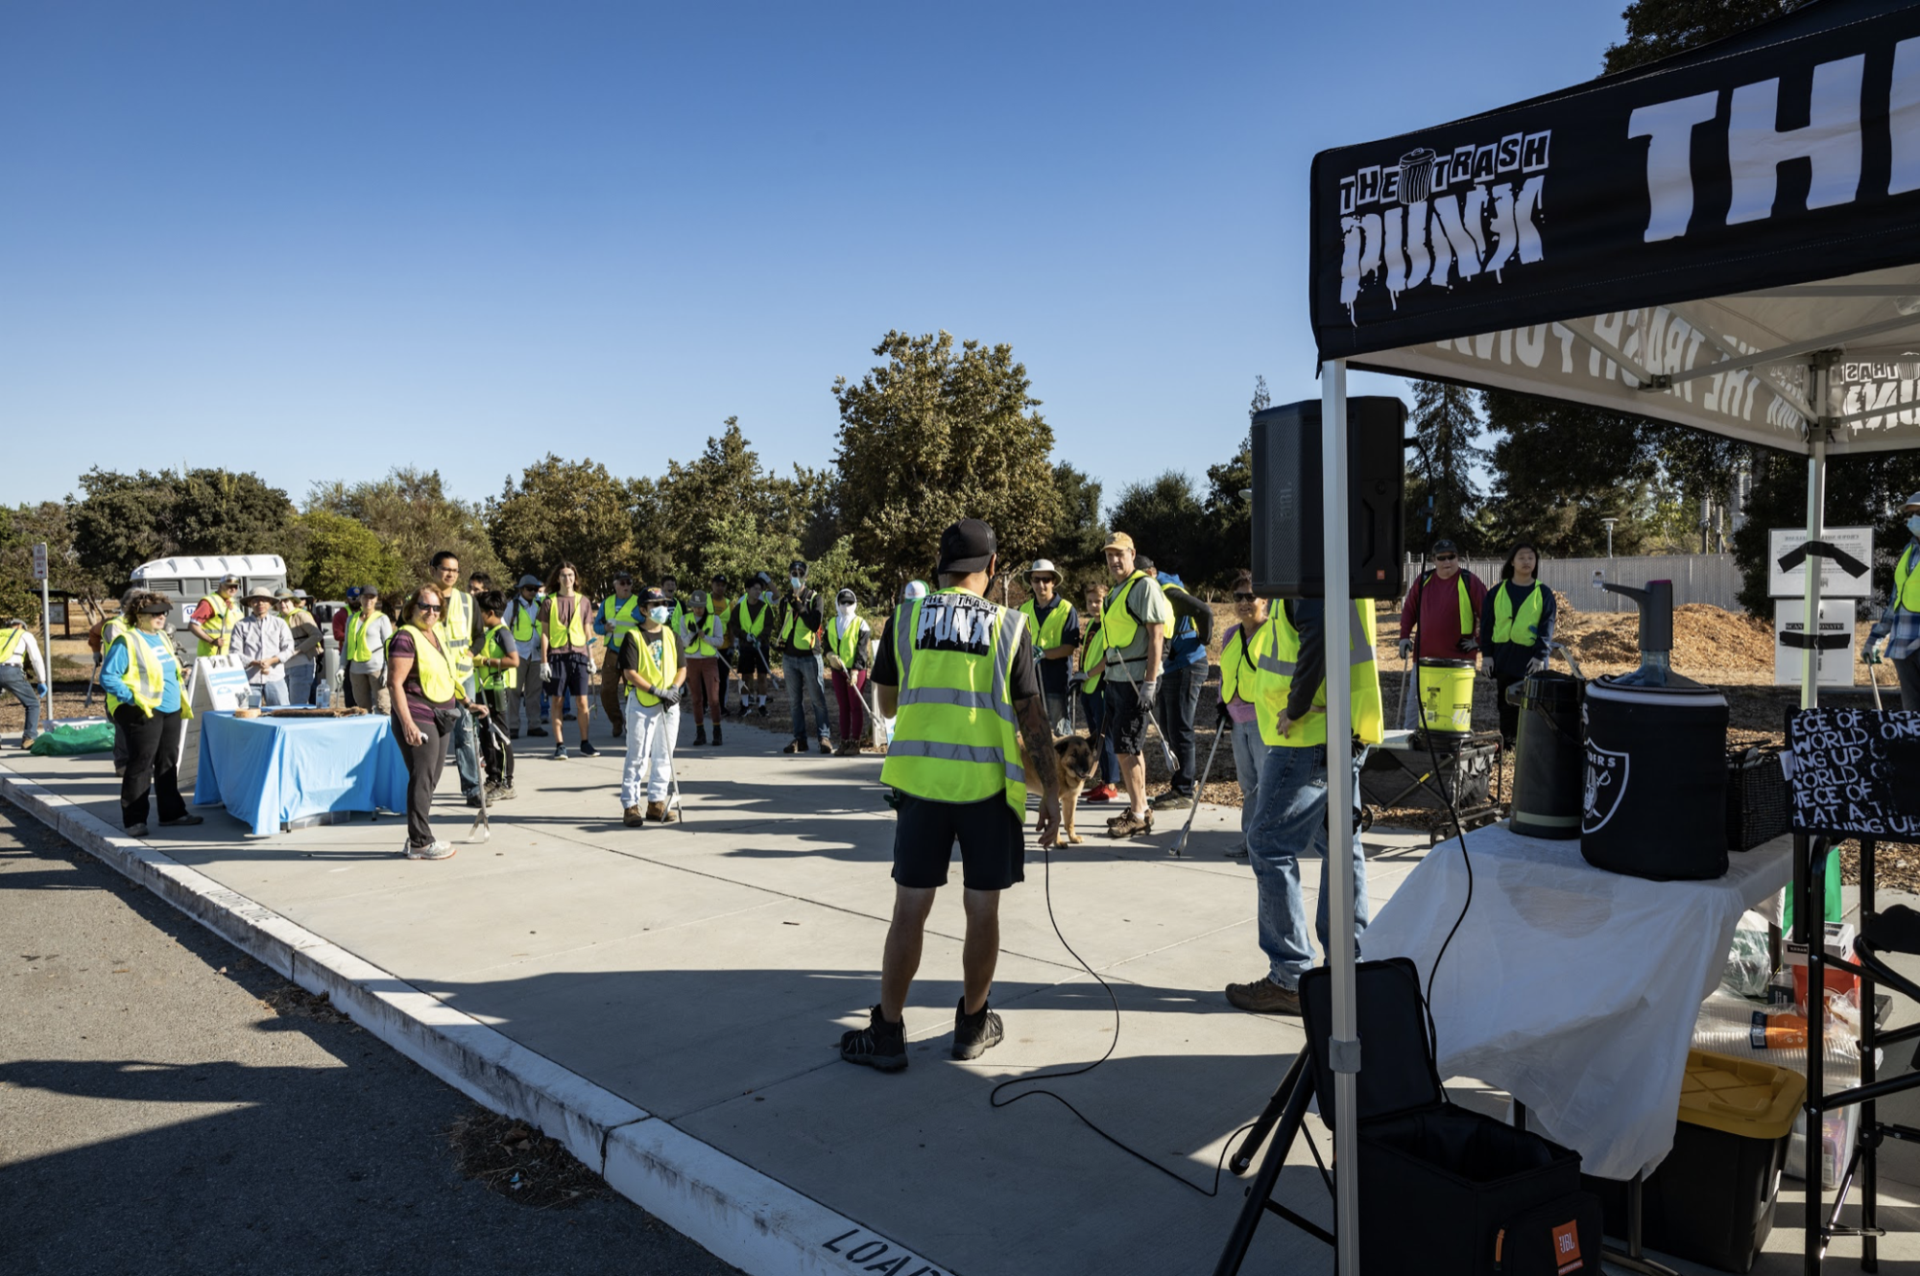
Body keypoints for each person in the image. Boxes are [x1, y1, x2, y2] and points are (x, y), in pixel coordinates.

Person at [839, 519, 1061, 1072]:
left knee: (909, 910)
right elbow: (1034, 718)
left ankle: (888, 1033)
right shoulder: (1011, 626)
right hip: (988, 790)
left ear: (940, 568)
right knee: (982, 910)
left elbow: (886, 706)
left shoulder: (907, 617)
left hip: (921, 788)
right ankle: (972, 1025)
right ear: (991, 568)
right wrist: (1053, 793)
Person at [1225, 592, 1385, 1015]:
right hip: (1338, 726)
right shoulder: (1341, 565)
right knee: (1341, 848)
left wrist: (1296, 705)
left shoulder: (1308, 573)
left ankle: (1291, 978)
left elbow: (1317, 640)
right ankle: (1345, 972)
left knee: (1267, 842)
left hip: (1307, 734)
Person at [1082, 532, 1172, 838]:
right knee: (1127, 747)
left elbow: (1156, 635)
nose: (1114, 560)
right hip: (1118, 679)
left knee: (1126, 747)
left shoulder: (1143, 586)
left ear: (1132, 554)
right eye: (1109, 555)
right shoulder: (1117, 591)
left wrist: (1150, 681)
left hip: (1135, 680)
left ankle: (1137, 814)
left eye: (1120, 554)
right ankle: (1140, 806)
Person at [387, 585, 482, 860]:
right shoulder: (406, 637)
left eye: (436, 607)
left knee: (430, 779)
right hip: (418, 713)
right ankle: (420, 841)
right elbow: (395, 684)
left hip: (442, 714)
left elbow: (447, 674)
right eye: (424, 606)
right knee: (422, 776)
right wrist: (407, 723)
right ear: (412, 608)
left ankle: (416, 835)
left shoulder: (436, 633)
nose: (430, 612)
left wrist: (467, 703)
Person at [100, 593, 203, 836]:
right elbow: (108, 677)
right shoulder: (127, 640)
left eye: (164, 612)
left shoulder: (162, 638)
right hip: (142, 710)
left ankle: (172, 813)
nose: (161, 616)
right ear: (139, 616)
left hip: (171, 708)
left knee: (168, 762)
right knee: (141, 762)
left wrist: (181, 674)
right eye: (155, 613)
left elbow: (165, 669)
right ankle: (135, 820)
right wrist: (132, 699)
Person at [1138, 559, 1214, 811]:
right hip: (1174, 666)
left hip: (1188, 664)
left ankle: (1184, 791)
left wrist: (1203, 639)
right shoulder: (1157, 590)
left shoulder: (1168, 591)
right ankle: (1178, 787)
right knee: (1171, 729)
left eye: (1139, 579)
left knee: (1180, 728)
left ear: (1150, 573)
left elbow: (1204, 611)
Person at [1397, 538, 1489, 726]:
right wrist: (1404, 637)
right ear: (1433, 560)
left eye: (1451, 557)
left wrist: (1480, 641)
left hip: (1459, 661)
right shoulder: (1423, 581)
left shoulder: (1469, 581)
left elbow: (1489, 613)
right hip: (1424, 658)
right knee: (1416, 706)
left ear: (1458, 558)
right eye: (1442, 558)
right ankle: (1410, 744)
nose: (1447, 562)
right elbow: (1409, 610)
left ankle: (1451, 746)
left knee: (1453, 711)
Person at [619, 587, 686, 825]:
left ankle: (657, 803)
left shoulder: (671, 635)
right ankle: (630, 805)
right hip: (644, 703)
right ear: (643, 610)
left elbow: (681, 668)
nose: (661, 609)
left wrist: (675, 688)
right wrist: (655, 690)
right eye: (655, 605)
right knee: (637, 755)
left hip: (669, 705)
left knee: (664, 755)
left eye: (664, 604)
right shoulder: (633, 637)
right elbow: (630, 673)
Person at [1480, 543, 1557, 746]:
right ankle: (1510, 744)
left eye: (1531, 557)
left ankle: (1531, 745)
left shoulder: (1544, 593)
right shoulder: (1496, 592)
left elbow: (1547, 626)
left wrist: (1541, 655)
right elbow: (1487, 625)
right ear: (1512, 561)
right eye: (1521, 557)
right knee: (1506, 703)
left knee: (1533, 704)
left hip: (1531, 659)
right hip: (1504, 656)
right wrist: (1486, 655)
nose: (1526, 561)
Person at [1217, 573, 1271, 860]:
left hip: (1264, 720)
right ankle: (1250, 838)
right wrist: (1220, 706)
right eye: (1238, 597)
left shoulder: (1273, 633)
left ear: (1264, 599)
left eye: (1250, 596)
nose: (1244, 602)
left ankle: (1265, 840)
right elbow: (1226, 673)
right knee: (1249, 784)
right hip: (1237, 720)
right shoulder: (1230, 635)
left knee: (1267, 783)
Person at [431, 551, 485, 804]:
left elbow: (479, 635)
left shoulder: (467, 601)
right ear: (434, 570)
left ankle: (473, 789)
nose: (451, 574)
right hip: (432, 679)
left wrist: (471, 652)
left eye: (455, 570)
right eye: (445, 569)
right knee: (432, 738)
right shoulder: (423, 599)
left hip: (463, 678)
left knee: (466, 733)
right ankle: (424, 789)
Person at [538, 561, 598, 760]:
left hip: (579, 656)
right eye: (563, 575)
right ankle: (560, 744)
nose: (568, 579)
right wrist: (544, 661)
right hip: (557, 655)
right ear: (558, 578)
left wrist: (591, 658)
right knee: (557, 700)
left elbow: (588, 632)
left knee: (582, 701)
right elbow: (544, 634)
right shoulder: (549, 602)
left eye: (571, 575)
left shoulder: (584, 602)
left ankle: (585, 742)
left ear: (575, 578)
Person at [1868, 492, 1920, 710]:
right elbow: (1894, 602)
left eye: (1917, 513)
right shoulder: (1909, 551)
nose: (1911, 520)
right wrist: (1875, 639)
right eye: (1910, 515)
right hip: (1903, 648)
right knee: (1912, 719)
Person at [1017, 559, 1080, 737]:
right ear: (1031, 582)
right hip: (1030, 683)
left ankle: (1062, 766)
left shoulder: (1066, 609)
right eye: (1036, 580)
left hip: (1056, 683)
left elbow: (1069, 647)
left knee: (1061, 734)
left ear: (1053, 582)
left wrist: (1043, 653)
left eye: (1045, 580)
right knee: (1034, 733)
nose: (1041, 584)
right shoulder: (1024, 609)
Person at [777, 559, 831, 754]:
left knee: (818, 699)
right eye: (793, 573)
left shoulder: (815, 598)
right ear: (789, 575)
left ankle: (824, 737)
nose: (796, 577)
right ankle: (799, 739)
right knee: (794, 701)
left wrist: (800, 607)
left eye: (800, 573)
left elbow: (815, 623)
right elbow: (782, 624)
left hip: (810, 656)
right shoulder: (785, 600)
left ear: (806, 576)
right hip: (789, 657)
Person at [472, 590, 519, 802]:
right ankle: (493, 777)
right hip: (484, 690)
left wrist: (485, 662)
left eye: (480, 612)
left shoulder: (502, 632)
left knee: (500, 735)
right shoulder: (488, 632)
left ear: (490, 612)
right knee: (486, 735)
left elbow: (514, 660)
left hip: (497, 689)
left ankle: (507, 783)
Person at [1075, 580, 1119, 803]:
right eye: (1090, 601)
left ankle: (1111, 783)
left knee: (1105, 736)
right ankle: (1103, 780)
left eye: (1098, 601)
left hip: (1100, 685)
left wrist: (1090, 673)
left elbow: (1107, 657)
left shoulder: (1108, 625)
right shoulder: (1092, 624)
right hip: (1087, 687)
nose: (1094, 605)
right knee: (1095, 737)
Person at [596, 572, 643, 740]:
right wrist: (604, 629)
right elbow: (596, 625)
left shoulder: (638, 602)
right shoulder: (607, 602)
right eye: (622, 583)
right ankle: (617, 721)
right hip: (612, 652)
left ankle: (631, 724)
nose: (626, 586)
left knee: (631, 691)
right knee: (607, 691)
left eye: (629, 583)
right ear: (615, 585)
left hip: (631, 652)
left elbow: (645, 623)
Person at [824, 588, 872, 755]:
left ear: (855, 603)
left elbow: (862, 650)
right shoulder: (831, 623)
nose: (845, 605)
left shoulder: (861, 624)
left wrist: (856, 670)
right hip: (838, 670)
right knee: (843, 706)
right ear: (837, 603)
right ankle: (844, 741)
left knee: (855, 706)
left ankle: (855, 742)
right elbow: (827, 646)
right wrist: (829, 655)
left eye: (849, 602)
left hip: (855, 671)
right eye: (842, 602)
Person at [230, 588, 295, 706]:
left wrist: (272, 660)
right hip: (250, 681)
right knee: (249, 718)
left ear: (270, 603)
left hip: (275, 678)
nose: (260, 603)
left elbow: (289, 648)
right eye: (255, 600)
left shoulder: (279, 623)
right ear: (250, 603)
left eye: (264, 600)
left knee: (281, 714)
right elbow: (235, 653)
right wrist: (254, 662)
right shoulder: (240, 626)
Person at [679, 589, 727, 746]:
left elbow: (719, 641)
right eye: (695, 606)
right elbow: (683, 643)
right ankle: (700, 732)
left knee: (713, 698)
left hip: (709, 660)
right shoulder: (685, 619)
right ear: (691, 606)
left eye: (701, 606)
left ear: (705, 605)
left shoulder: (714, 620)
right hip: (691, 661)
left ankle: (717, 731)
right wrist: (692, 634)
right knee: (696, 699)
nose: (698, 609)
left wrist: (705, 637)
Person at [503, 574, 544, 737]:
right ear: (521, 589)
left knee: (534, 691)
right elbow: (504, 627)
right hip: (517, 653)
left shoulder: (540, 605)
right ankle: (512, 725)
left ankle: (534, 724)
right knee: (513, 691)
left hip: (536, 653)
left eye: (535, 589)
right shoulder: (511, 606)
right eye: (529, 589)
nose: (533, 592)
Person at [344, 586, 394, 715]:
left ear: (376, 599)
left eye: (372, 597)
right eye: (365, 596)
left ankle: (387, 734)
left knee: (383, 707)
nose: (368, 600)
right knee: (362, 710)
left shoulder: (381, 619)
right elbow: (346, 644)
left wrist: (387, 670)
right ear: (360, 598)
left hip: (376, 669)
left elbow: (389, 646)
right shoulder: (351, 619)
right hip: (356, 670)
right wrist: (341, 667)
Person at [730, 573, 775, 716]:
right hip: (746, 646)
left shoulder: (765, 607)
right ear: (748, 590)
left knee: (762, 676)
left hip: (762, 646)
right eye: (755, 589)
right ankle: (745, 705)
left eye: (760, 589)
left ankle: (762, 705)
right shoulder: (739, 606)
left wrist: (760, 639)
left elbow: (769, 626)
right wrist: (745, 636)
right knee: (746, 676)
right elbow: (734, 625)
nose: (758, 592)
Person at [0, 618, 49, 749]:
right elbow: (36, 659)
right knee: (32, 704)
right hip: (11, 670)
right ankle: (29, 738)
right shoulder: (24, 634)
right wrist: (42, 680)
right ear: (21, 626)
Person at [276, 590, 322, 706]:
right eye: (279, 601)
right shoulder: (277, 619)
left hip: (302, 663)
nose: (282, 604)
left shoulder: (301, 615)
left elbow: (317, 635)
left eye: (286, 600)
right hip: (283, 667)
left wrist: (297, 650)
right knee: (284, 704)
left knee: (297, 704)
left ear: (293, 602)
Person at [189, 573, 241, 660]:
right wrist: (212, 641)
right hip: (213, 654)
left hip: (231, 654)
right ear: (220, 585)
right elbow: (193, 626)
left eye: (236, 586)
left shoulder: (232, 602)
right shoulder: (208, 602)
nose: (233, 589)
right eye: (229, 586)